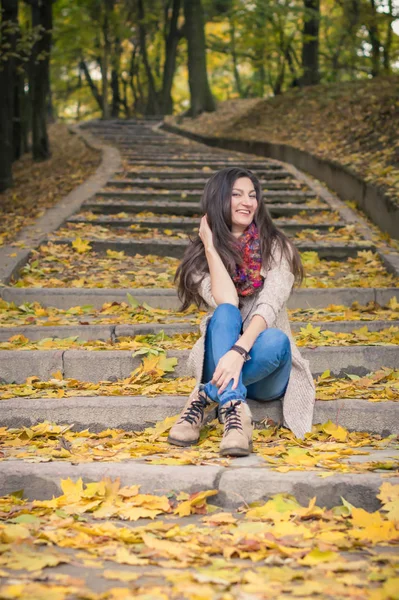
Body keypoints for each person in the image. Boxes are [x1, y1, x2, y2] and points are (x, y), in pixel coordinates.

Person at [167, 167, 315, 456]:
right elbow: (229, 300)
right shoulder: (201, 261)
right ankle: (235, 416)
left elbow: (269, 304)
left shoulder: (276, 248)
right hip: (222, 360)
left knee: (277, 340)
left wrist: (239, 352)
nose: (247, 201)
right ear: (218, 199)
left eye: (252, 195)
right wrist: (210, 246)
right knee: (224, 313)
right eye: (236, 194)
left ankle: (206, 395)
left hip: (265, 367)